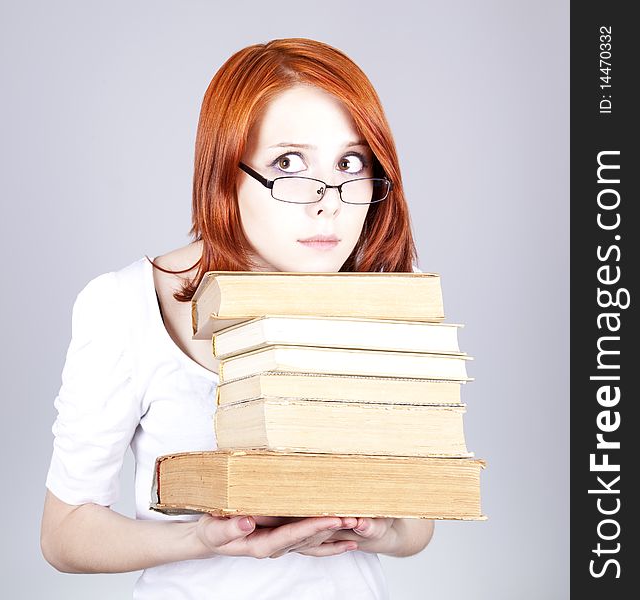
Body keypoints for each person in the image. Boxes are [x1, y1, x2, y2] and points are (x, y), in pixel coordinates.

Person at [40, 37, 434, 599]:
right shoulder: (125, 305)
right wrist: (205, 538)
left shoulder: (382, 301)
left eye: (350, 162)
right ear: (227, 169)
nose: (328, 202)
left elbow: (418, 524)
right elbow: (63, 534)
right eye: (289, 163)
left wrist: (377, 529)